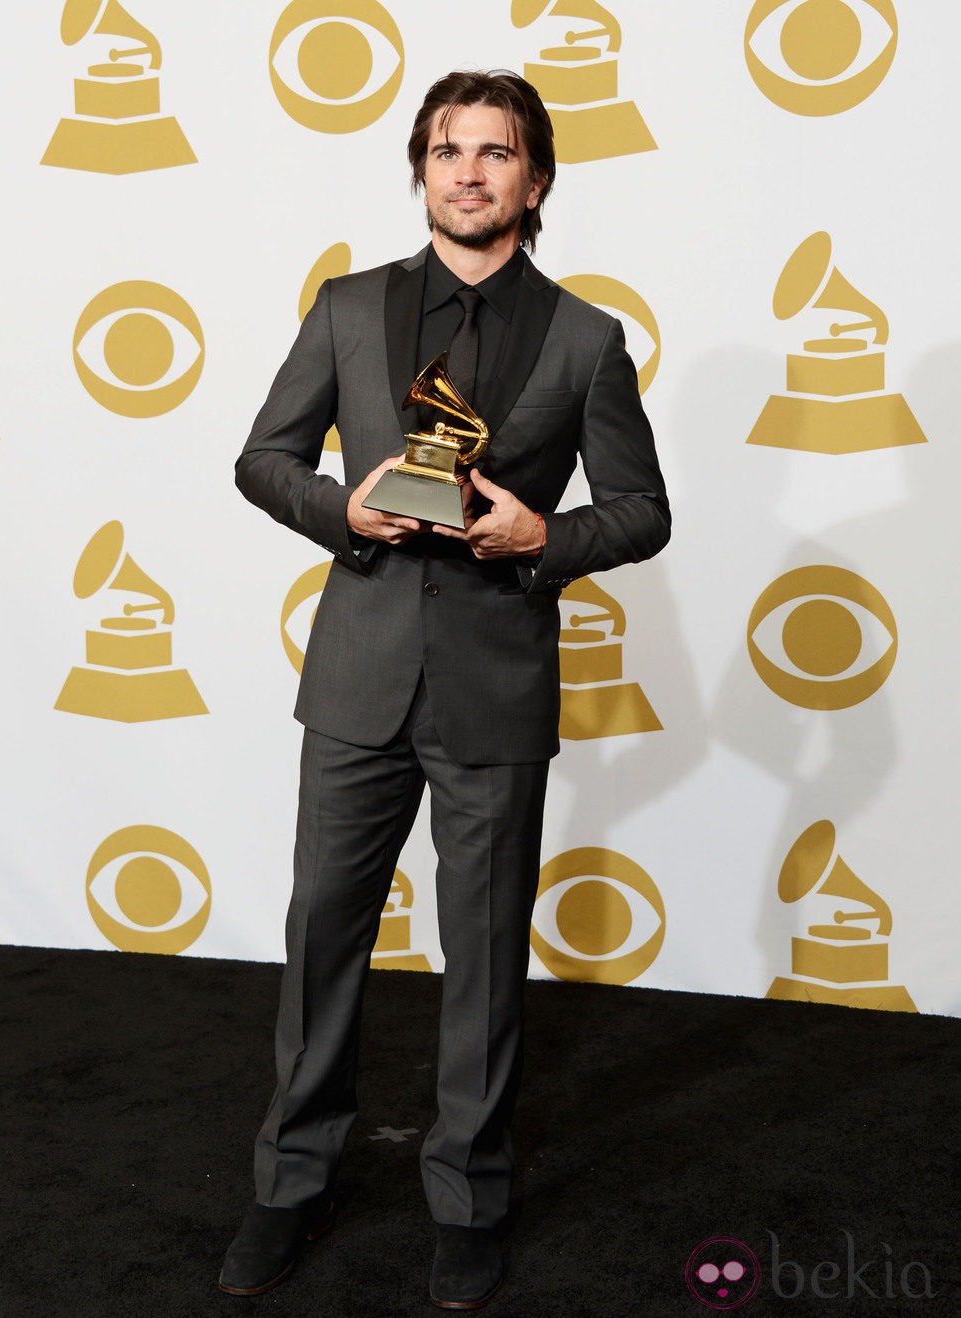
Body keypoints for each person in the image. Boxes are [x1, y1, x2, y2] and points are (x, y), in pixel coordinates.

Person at [219, 69, 670, 1310]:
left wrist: (542, 537)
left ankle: (467, 1196)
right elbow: (262, 457)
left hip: (494, 684)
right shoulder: (348, 308)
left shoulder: (585, 338)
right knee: (323, 939)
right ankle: (290, 1185)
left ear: (535, 179)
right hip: (357, 679)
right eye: (447, 150)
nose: (469, 171)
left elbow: (642, 512)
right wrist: (340, 510)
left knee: (479, 956)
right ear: (419, 169)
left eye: (497, 152)